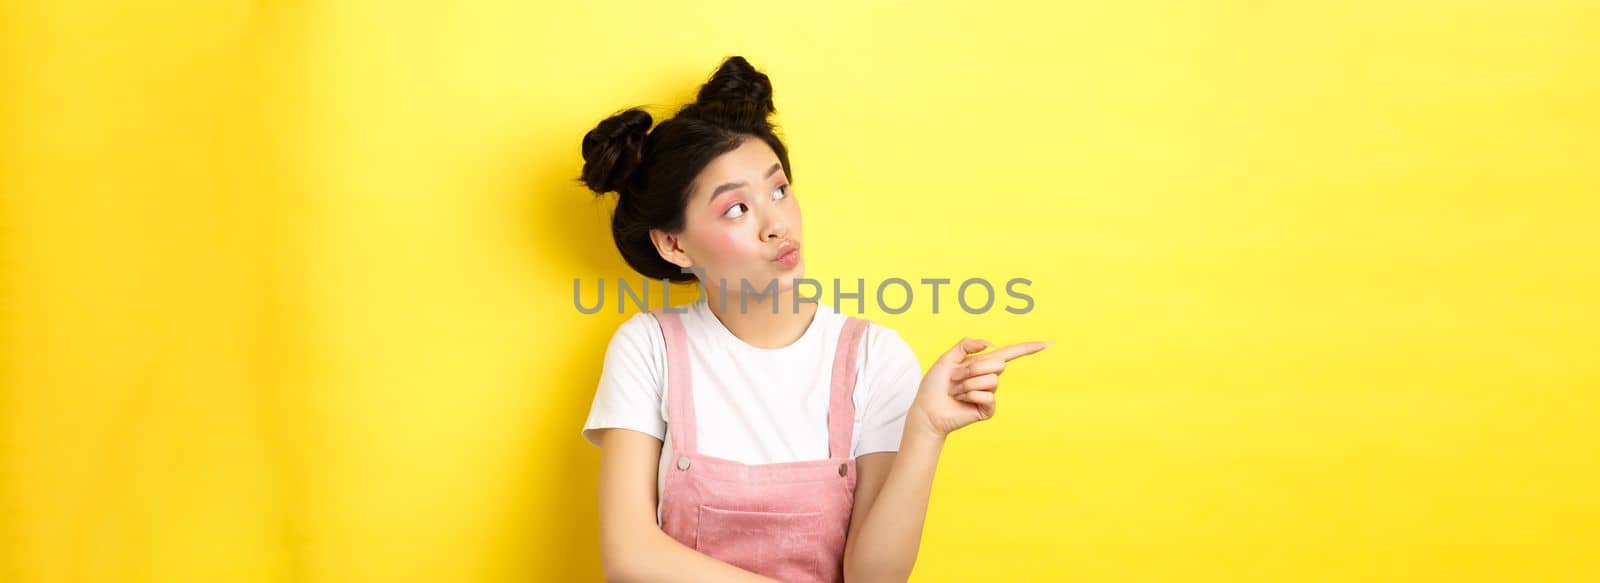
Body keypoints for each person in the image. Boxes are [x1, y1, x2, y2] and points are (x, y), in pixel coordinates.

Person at [576, 55, 1049, 583]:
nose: (776, 224)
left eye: (779, 190)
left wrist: (927, 429)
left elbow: (874, 577)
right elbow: (630, 558)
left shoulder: (875, 356)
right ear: (673, 243)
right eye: (737, 209)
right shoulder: (650, 347)